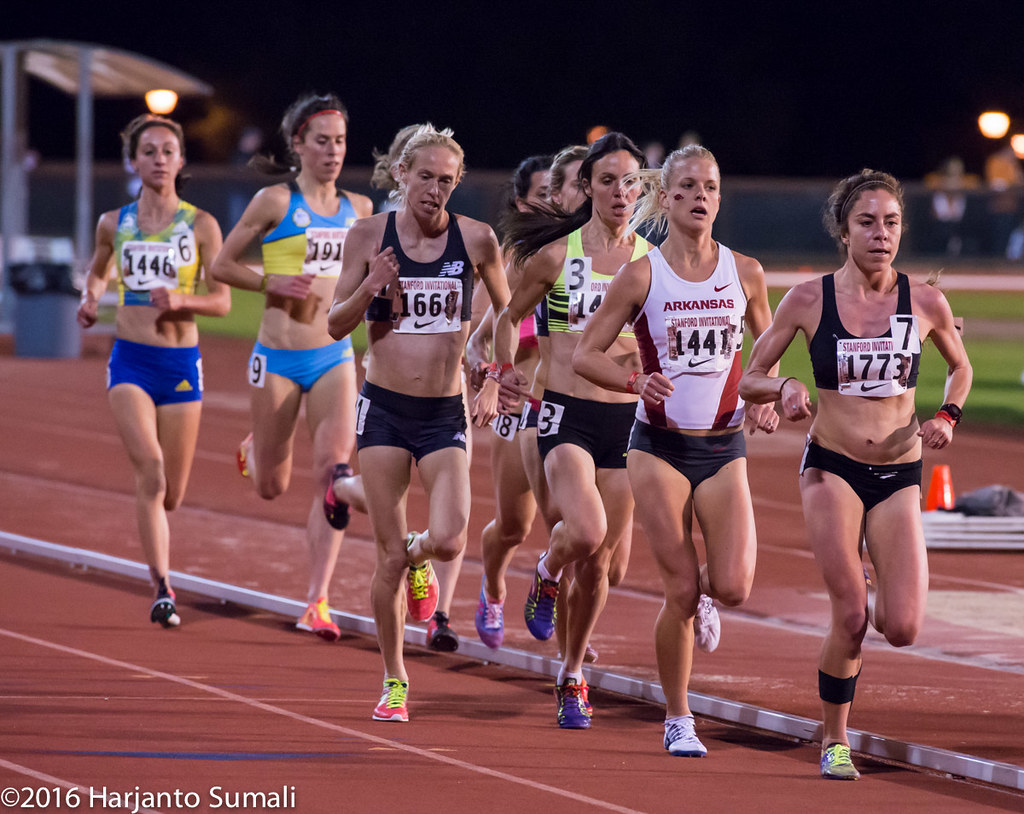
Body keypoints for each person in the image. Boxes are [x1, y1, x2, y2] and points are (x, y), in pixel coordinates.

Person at [738, 169, 972, 780]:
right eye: (867, 222)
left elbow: (960, 367)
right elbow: (750, 377)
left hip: (898, 473)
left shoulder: (926, 302)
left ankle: (869, 568)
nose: (880, 234)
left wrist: (947, 415)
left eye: (891, 222)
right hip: (832, 467)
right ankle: (834, 740)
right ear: (844, 231)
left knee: (902, 626)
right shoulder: (807, 299)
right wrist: (786, 386)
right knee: (850, 614)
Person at [572, 145, 777, 755]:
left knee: (732, 585)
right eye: (686, 187)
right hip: (658, 448)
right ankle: (678, 716)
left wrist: (765, 395)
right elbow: (585, 354)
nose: (700, 197)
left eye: (709, 187)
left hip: (723, 446)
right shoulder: (643, 275)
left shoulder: (745, 271)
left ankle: (706, 598)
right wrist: (635, 381)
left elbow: (766, 350)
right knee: (680, 591)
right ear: (665, 197)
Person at [327, 124, 510, 721]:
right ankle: (395, 679)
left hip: (442, 411)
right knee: (386, 559)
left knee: (450, 537)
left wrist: (493, 371)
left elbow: (507, 310)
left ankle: (420, 550)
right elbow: (334, 324)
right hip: (383, 408)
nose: (435, 189)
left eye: (447, 180)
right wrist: (371, 287)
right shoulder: (367, 235)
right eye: (426, 176)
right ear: (401, 174)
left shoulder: (477, 239)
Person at [494, 132, 649, 729]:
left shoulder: (651, 264)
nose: (619, 192)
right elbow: (506, 319)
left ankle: (571, 674)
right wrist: (504, 372)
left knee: (604, 566)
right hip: (565, 415)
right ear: (587, 187)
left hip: (626, 423)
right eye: (607, 181)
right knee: (585, 532)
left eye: (629, 181)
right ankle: (545, 571)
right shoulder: (557, 255)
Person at [211, 93, 372, 641]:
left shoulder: (360, 209)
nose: (333, 151)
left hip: (332, 356)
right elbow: (222, 264)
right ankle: (257, 446)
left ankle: (316, 601)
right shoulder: (275, 202)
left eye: (340, 141)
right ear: (298, 144)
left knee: (333, 473)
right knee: (271, 486)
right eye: (322, 141)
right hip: (277, 357)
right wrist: (269, 281)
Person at [77, 114, 230, 627]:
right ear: (133, 161)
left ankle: (161, 560)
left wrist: (183, 299)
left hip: (180, 363)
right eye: (149, 151)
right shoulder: (113, 223)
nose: (159, 159)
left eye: (168, 151)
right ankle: (162, 587)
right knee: (151, 471)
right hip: (131, 361)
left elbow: (222, 301)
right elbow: (98, 271)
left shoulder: (202, 225)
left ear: (180, 161)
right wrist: (89, 298)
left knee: (173, 493)